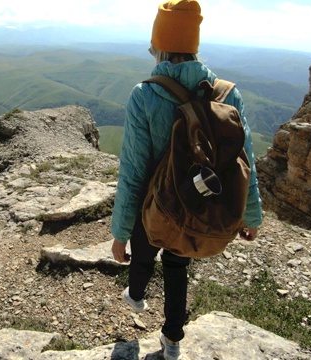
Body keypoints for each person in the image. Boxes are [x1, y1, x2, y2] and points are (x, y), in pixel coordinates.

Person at [110, 1, 263, 359]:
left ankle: (136, 295)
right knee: (177, 268)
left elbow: (133, 170)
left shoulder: (145, 94)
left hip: (154, 206)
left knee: (144, 252)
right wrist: (251, 216)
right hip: (196, 205)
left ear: (158, 44)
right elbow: (247, 162)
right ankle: (173, 340)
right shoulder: (228, 94)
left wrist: (120, 233)